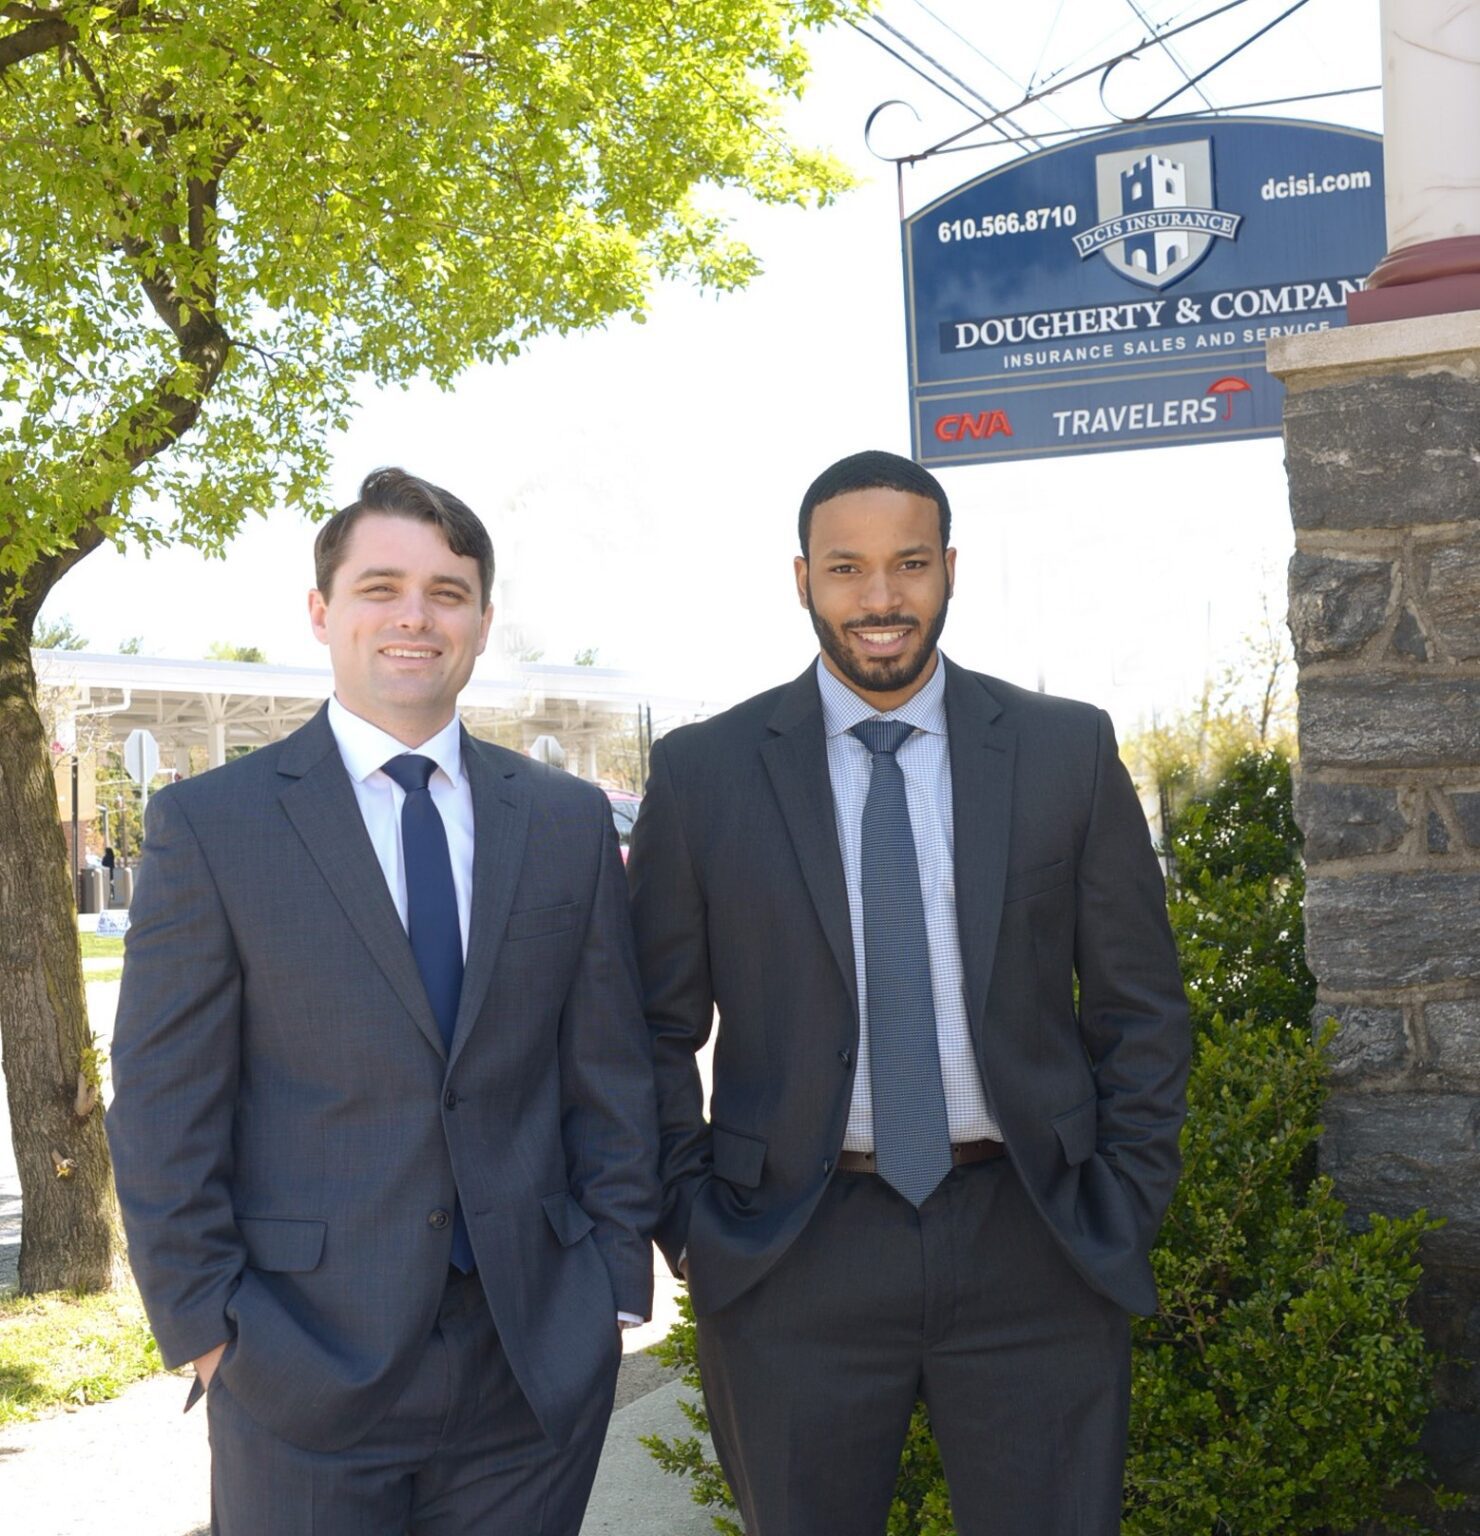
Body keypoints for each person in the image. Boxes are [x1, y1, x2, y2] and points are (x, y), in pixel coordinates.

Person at [627, 449, 1189, 1536]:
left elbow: (1139, 1006)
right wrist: (690, 1220)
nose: (880, 599)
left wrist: (1122, 1195)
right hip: (792, 1248)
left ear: (949, 572)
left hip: (1032, 1234)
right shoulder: (707, 773)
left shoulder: (1062, 750)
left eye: (909, 565)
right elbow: (651, 1028)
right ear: (801, 579)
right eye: (846, 569)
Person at [108, 468, 658, 1534]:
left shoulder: (562, 821)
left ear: (483, 622)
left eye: (447, 592)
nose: (415, 615)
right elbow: (163, 1105)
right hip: (299, 1364)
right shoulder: (211, 826)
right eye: (380, 587)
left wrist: (610, 1287)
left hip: (533, 1361)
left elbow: (611, 1070)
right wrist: (210, 1330)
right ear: (322, 611)